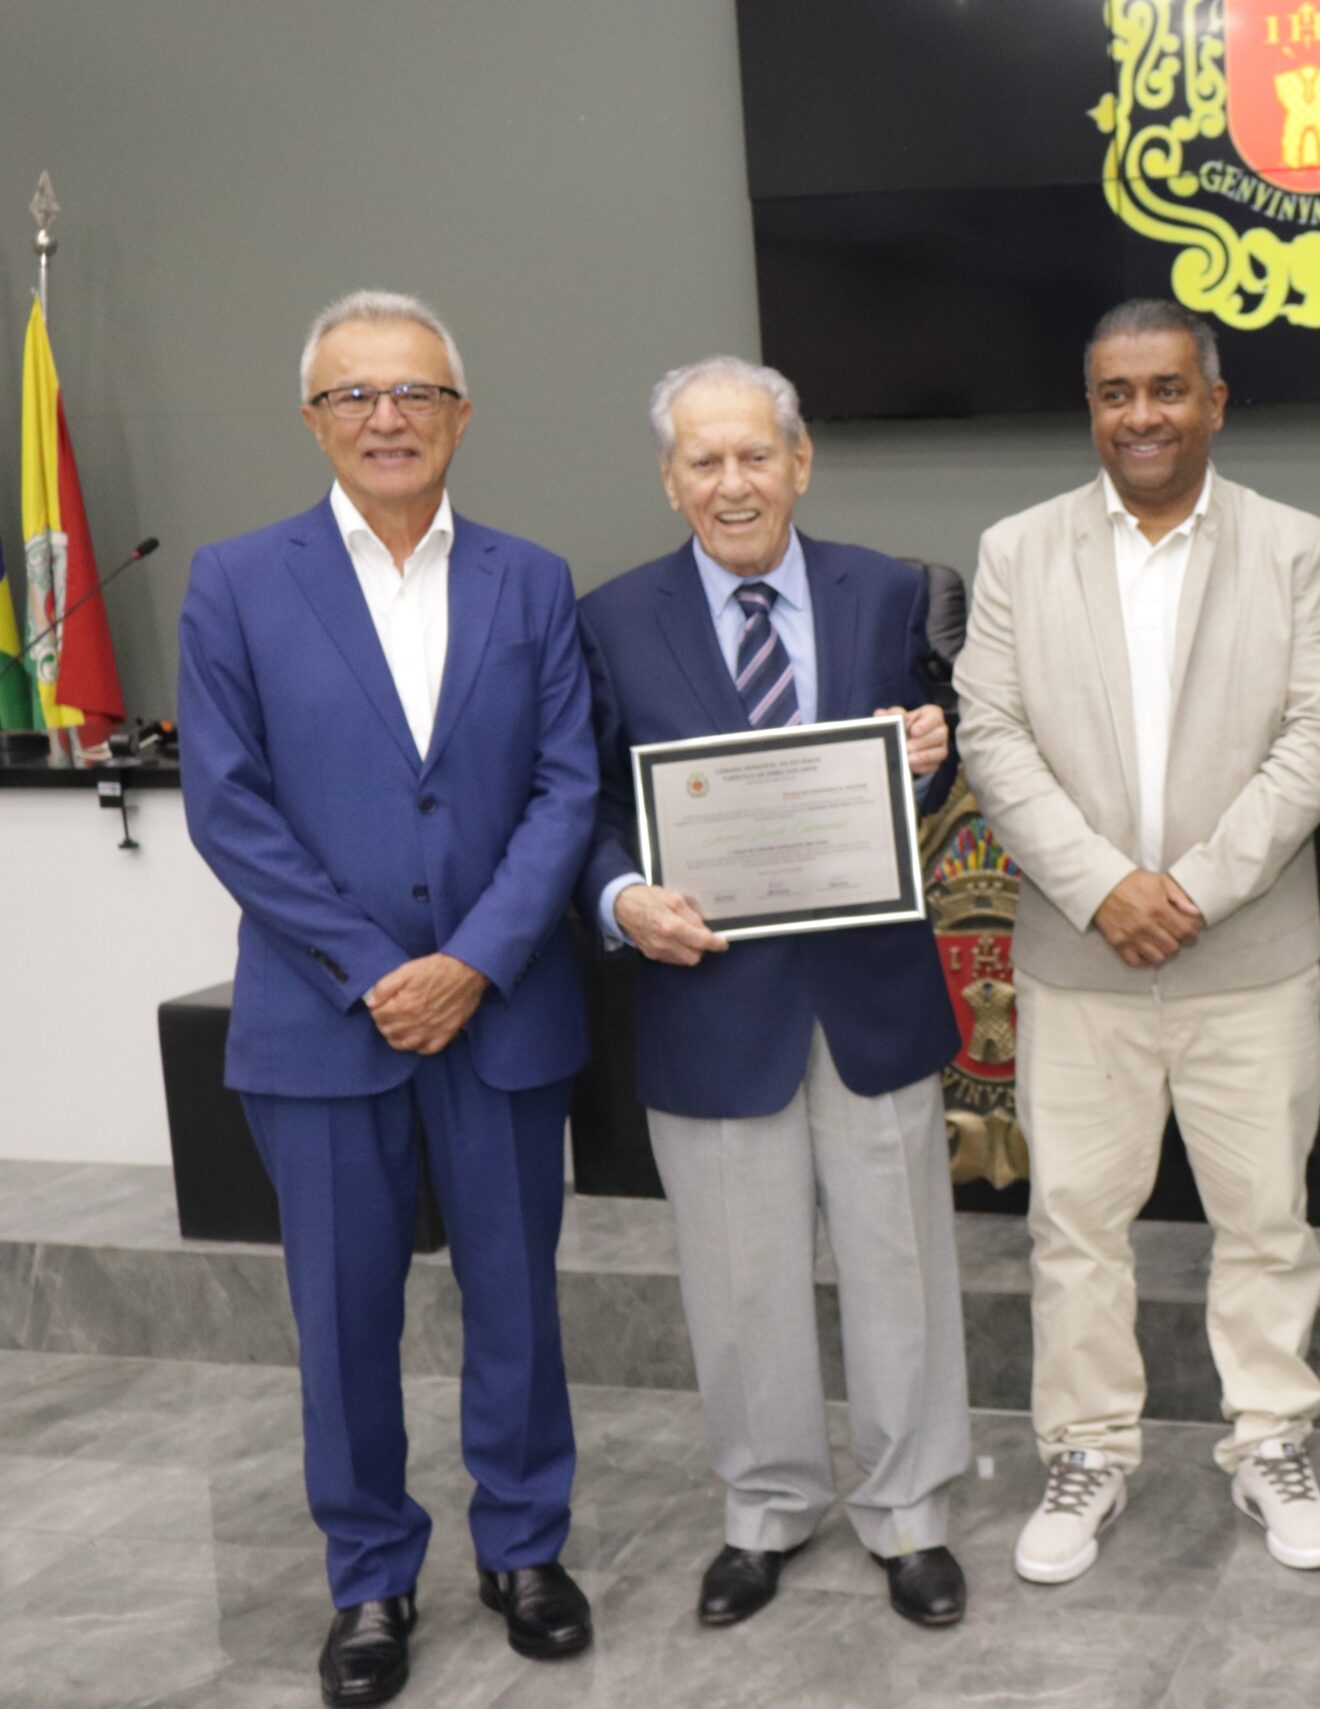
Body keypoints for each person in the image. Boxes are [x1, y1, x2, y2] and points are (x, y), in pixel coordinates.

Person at [176, 291, 597, 1706]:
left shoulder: (533, 580)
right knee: (343, 1317)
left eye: (415, 391)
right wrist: (374, 971)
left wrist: (472, 961)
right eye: (353, 394)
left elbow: (566, 789)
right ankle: (369, 1574)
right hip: (322, 1023)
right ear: (313, 420)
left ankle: (524, 1547)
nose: (386, 417)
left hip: (503, 1009)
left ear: (461, 416)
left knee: (515, 1300)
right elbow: (228, 808)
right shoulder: (237, 581)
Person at [954, 299, 1320, 1585]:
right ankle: (1085, 1450)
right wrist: (1101, 889)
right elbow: (990, 736)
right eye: (1116, 392)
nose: (1143, 414)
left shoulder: (1297, 549)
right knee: (1075, 1223)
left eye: (1168, 389)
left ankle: (1270, 1439)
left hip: (1248, 956)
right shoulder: (1016, 551)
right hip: (1080, 960)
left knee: (1267, 1218)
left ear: (1215, 402)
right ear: (1093, 409)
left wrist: (1186, 890)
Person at [576, 357, 971, 1631]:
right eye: (705, 460)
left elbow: (913, 763)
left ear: (801, 462)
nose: (733, 483)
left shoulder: (888, 590)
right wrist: (623, 897)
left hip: (867, 997)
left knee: (900, 1265)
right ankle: (766, 1509)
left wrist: (927, 756)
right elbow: (585, 801)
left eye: (756, 455)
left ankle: (909, 1511)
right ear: (669, 479)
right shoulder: (610, 618)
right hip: (708, 998)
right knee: (738, 1282)